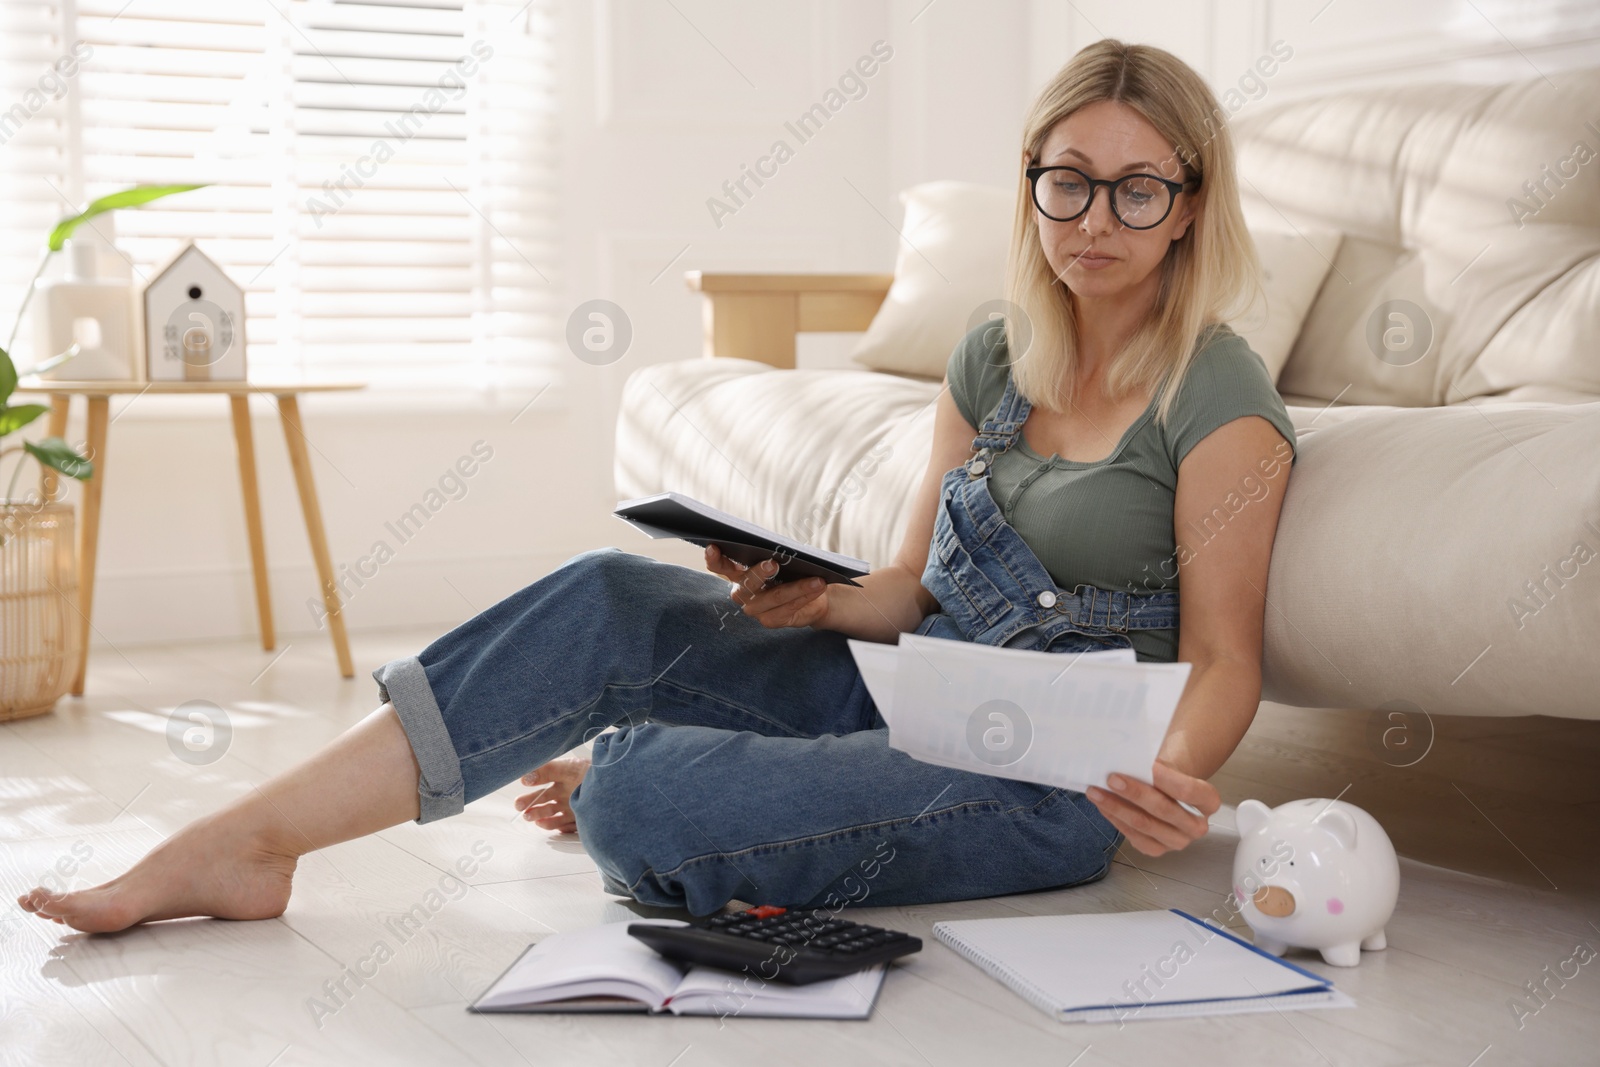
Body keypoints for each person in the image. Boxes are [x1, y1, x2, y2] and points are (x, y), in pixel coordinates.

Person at [19, 38, 1296, 933]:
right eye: (1066, 180)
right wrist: (813, 600)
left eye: (1138, 189)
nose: (1095, 219)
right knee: (604, 598)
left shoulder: (1216, 395)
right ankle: (243, 843)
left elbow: (1225, 655)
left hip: (1054, 777)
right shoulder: (989, 351)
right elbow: (909, 593)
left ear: (1188, 205)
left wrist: (1167, 782)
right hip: (915, 686)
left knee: (639, 799)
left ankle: (649, 768)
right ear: (1031, 183)